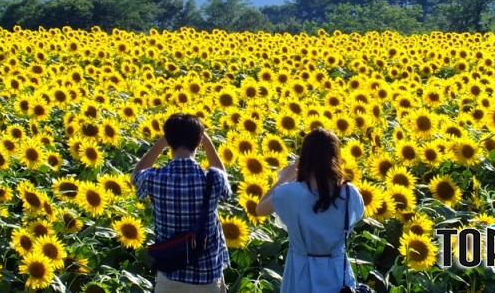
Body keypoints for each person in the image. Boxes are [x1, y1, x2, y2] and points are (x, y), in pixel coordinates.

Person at [255, 128, 365, 293]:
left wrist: (287, 176)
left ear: (305, 157)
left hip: (301, 272)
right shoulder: (350, 194)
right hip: (337, 273)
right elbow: (355, 217)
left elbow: (260, 208)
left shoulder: (290, 193)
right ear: (335, 157)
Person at [132, 113, 232, 292]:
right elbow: (223, 177)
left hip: (170, 274)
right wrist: (207, 142)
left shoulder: (154, 178)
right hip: (207, 276)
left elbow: (136, 174)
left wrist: (162, 141)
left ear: (169, 141)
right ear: (199, 141)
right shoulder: (212, 179)